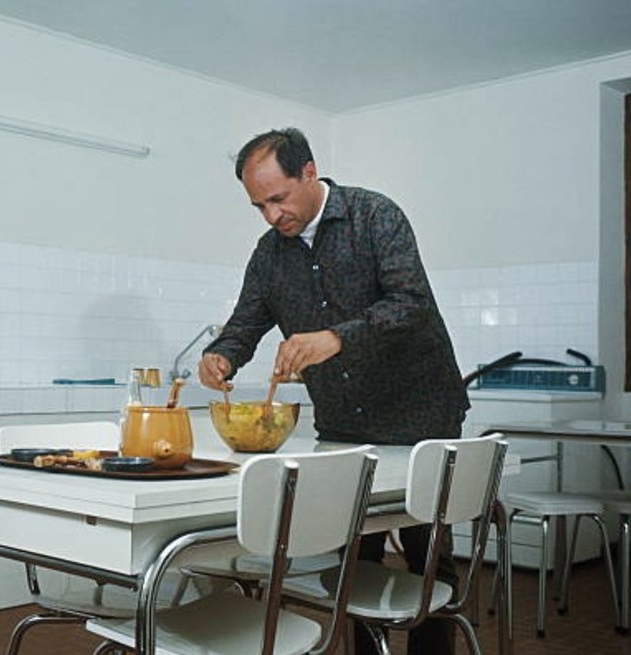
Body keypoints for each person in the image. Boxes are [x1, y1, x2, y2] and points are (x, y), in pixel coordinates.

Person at [198, 127, 470, 655]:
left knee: (428, 556)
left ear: (308, 172)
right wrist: (224, 354)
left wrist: (336, 338)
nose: (272, 215)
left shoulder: (375, 216)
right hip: (345, 422)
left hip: (421, 414)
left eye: (278, 198)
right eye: (259, 206)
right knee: (357, 558)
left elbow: (409, 302)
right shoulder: (268, 254)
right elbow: (246, 321)